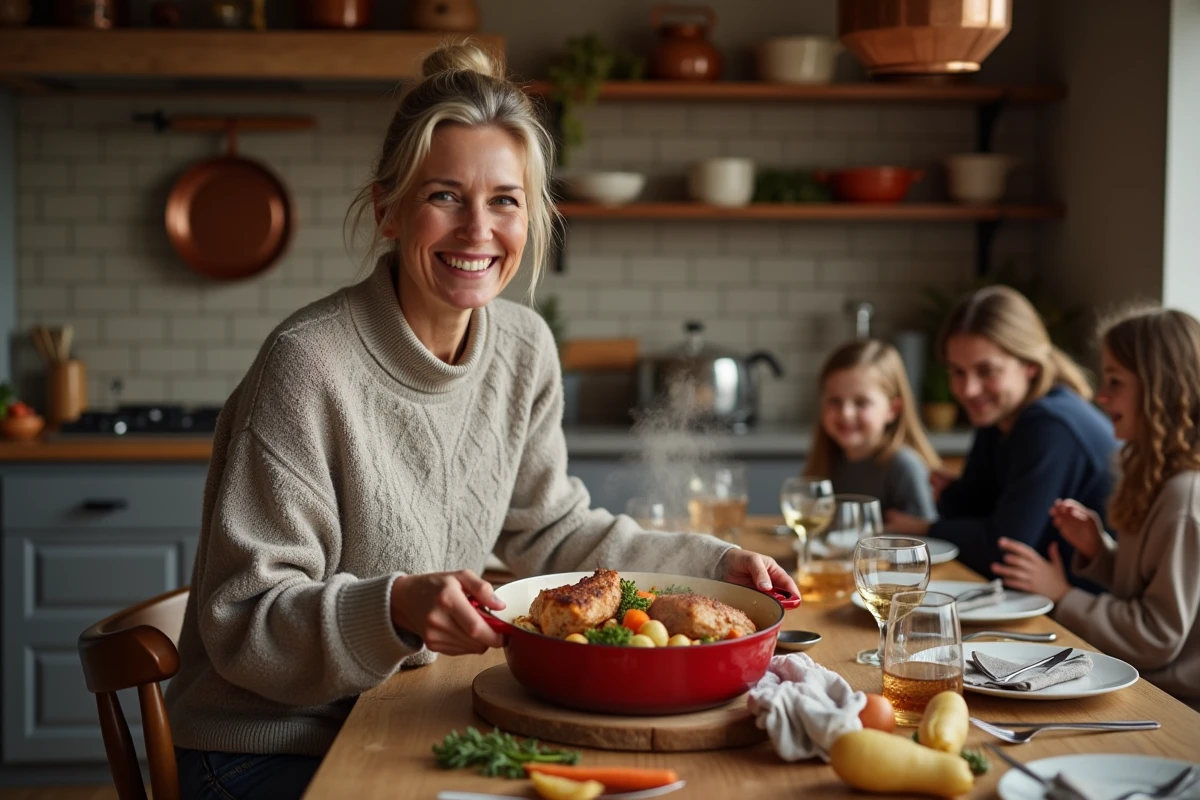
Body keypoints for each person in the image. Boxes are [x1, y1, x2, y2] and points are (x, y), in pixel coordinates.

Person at [165, 43, 797, 800]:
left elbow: (551, 534)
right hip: (267, 747)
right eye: (443, 195)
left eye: (504, 200)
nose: (477, 230)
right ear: (388, 210)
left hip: (402, 715)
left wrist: (711, 564)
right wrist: (395, 607)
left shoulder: (524, 347)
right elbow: (243, 621)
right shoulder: (307, 364)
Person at [991, 307, 1200, 709]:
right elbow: (1147, 587)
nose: (1101, 396)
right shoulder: (1153, 474)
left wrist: (1063, 595)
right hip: (1148, 682)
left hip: (1175, 702)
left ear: (1163, 390)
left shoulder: (1184, 497)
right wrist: (1099, 551)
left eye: (1115, 382)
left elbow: (1157, 638)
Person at [885, 285, 1117, 587]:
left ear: (1030, 366)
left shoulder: (1050, 426)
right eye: (957, 371)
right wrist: (953, 495)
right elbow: (974, 509)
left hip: (1082, 618)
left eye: (986, 371)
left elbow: (1003, 548)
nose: (968, 390)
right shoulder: (998, 418)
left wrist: (922, 529)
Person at [805, 339, 939, 518]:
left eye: (861, 402)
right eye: (835, 401)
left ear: (893, 409)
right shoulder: (829, 461)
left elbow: (925, 541)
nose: (846, 413)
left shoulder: (904, 467)